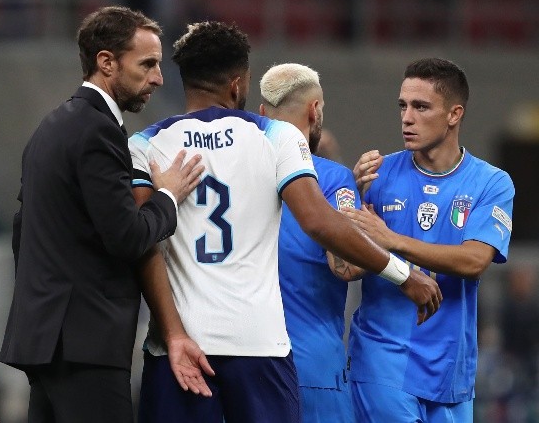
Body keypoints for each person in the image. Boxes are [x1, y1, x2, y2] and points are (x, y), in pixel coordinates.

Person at [128, 21, 442, 423]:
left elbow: (144, 243)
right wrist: (404, 275)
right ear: (238, 82)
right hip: (259, 346)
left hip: (179, 347)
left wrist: (171, 333)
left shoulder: (145, 144)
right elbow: (318, 222)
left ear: (183, 78)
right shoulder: (277, 136)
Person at [0, 6, 212, 423]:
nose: (159, 78)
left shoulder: (50, 128)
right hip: (86, 346)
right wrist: (167, 194)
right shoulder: (97, 130)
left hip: (45, 341)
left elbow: (22, 233)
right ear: (106, 62)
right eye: (147, 64)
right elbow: (128, 237)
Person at [343, 57, 515, 423]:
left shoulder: (492, 183)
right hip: (382, 359)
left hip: (452, 371)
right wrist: (349, 199)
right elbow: (348, 268)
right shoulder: (377, 174)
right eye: (402, 106)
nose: (407, 117)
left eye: (421, 107)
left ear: (454, 114)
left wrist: (391, 240)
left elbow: (474, 261)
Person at [258, 63, 357, 423]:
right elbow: (347, 267)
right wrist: (367, 227)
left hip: (244, 367)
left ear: (263, 114)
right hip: (313, 370)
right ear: (315, 110)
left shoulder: (237, 173)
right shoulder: (331, 178)